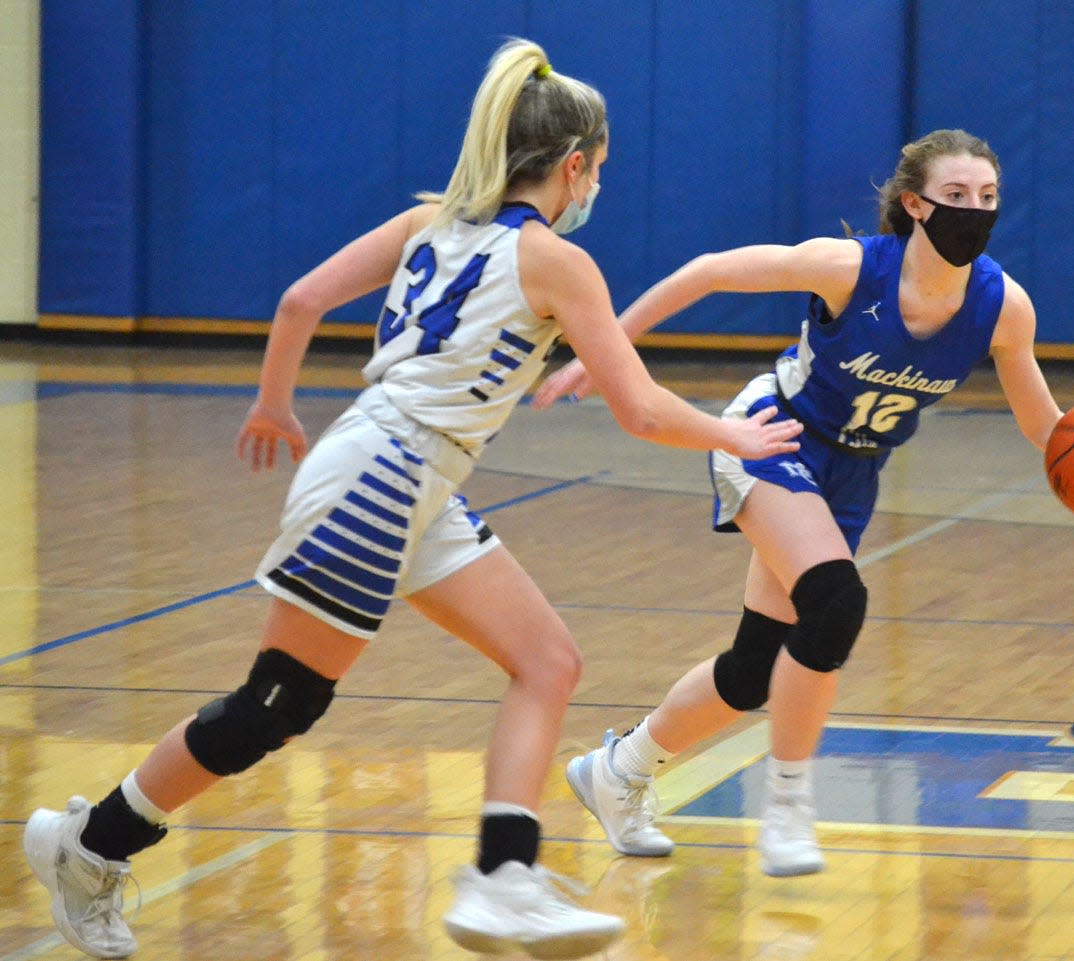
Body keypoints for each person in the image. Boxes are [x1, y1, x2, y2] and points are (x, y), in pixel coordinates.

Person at [22, 38, 803, 961]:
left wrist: (275, 401)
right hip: (386, 472)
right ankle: (91, 844)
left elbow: (299, 300)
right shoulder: (555, 260)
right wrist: (735, 433)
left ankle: (505, 875)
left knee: (548, 660)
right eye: (601, 169)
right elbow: (638, 407)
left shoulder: (429, 221)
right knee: (278, 703)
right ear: (577, 165)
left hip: (403, 471)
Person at [533, 128, 1074, 876]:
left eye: (989, 197)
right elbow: (709, 272)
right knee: (836, 603)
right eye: (958, 195)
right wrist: (601, 350)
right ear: (915, 203)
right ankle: (786, 807)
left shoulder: (1005, 308)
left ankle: (617, 770)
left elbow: (1049, 429)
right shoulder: (849, 269)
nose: (976, 209)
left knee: (752, 669)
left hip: (853, 474)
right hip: (773, 437)